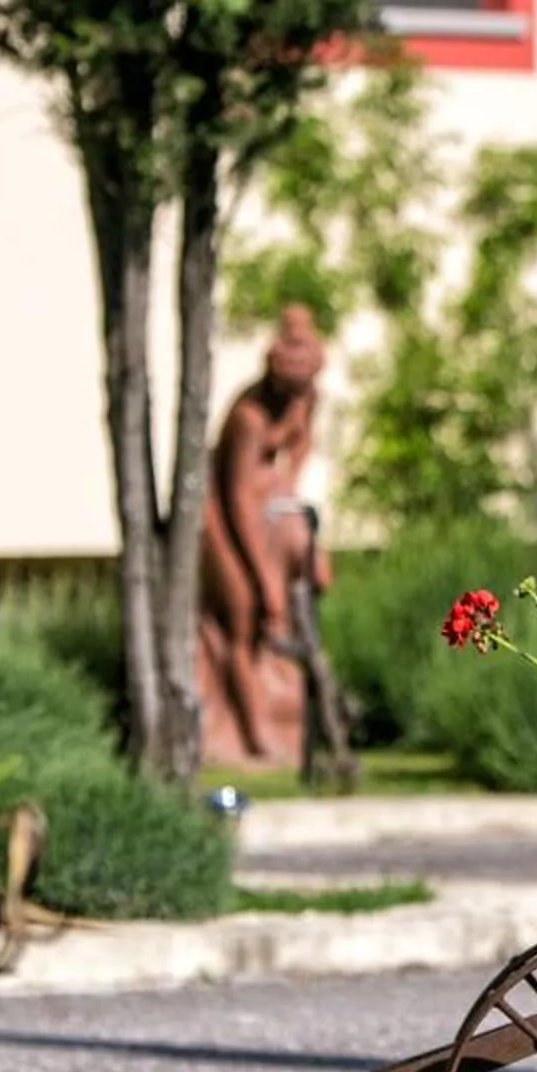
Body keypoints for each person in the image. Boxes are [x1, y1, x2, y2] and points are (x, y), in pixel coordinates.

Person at [197, 305, 331, 766]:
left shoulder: (305, 398)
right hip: (221, 512)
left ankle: (288, 711)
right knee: (244, 609)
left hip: (265, 507)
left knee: (300, 580)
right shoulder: (249, 419)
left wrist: (287, 485)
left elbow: (302, 443)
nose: (300, 394)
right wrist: (262, 578)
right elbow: (234, 498)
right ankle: (254, 734)